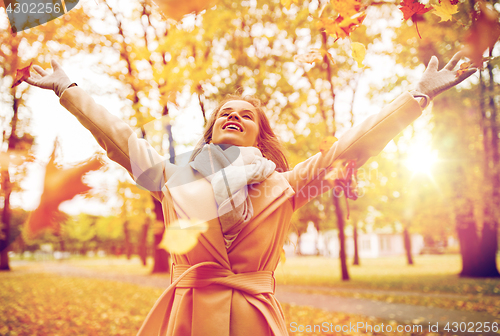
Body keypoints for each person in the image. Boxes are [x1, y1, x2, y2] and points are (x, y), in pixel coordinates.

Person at [24, 52, 476, 336]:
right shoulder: (171, 177)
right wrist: (69, 88)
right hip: (187, 317)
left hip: (254, 322)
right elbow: (117, 136)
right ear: (212, 128)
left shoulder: (287, 185)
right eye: (225, 113)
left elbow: (352, 145)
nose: (234, 116)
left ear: (260, 137)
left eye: (246, 115)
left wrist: (415, 97)